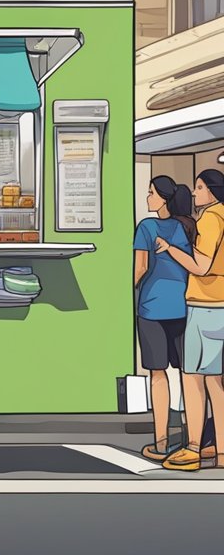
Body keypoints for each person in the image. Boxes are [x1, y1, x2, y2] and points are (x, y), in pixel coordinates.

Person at [156, 168, 224, 471]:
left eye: (199, 187)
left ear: (212, 190)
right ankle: (220, 449)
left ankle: (194, 448)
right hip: (220, 304)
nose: (194, 193)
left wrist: (171, 250)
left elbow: (201, 265)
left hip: (205, 303)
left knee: (194, 378)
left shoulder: (211, 218)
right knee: (216, 381)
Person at [132, 177, 193, 461]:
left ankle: (160, 442)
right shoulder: (187, 227)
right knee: (187, 374)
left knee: (158, 375)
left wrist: (128, 291)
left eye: (151, 193)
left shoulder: (147, 227)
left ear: (163, 199)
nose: (147, 198)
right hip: (183, 307)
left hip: (152, 308)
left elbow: (141, 268)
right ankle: (190, 438)